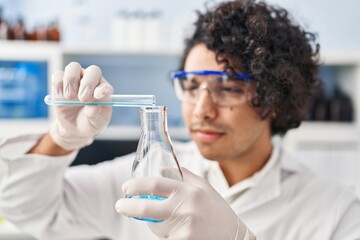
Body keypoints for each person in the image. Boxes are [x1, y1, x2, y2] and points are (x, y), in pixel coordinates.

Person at [0, 1, 360, 239]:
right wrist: (60, 139)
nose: (201, 109)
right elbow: (28, 211)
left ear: (275, 101)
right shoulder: (146, 177)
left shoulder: (336, 213)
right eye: (190, 85)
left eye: (229, 88)